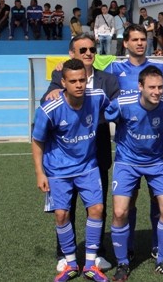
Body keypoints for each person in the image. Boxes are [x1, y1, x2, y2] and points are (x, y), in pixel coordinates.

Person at [42, 33, 120, 274]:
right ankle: (65, 256)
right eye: (82, 49)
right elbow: (47, 103)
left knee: (97, 207)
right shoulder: (59, 78)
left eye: (92, 49)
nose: (88, 53)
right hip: (65, 159)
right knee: (65, 209)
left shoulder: (108, 80)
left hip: (97, 155)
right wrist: (52, 93)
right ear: (72, 55)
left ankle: (96, 254)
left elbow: (118, 108)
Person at [106, 66, 163, 281]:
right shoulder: (123, 104)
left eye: (160, 87)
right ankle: (122, 263)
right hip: (127, 162)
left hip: (157, 162)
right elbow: (100, 115)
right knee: (120, 212)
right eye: (151, 87)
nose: (157, 91)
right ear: (140, 87)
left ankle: (162, 260)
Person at [32, 58, 110, 282]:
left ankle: (91, 264)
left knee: (96, 209)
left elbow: (117, 107)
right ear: (63, 83)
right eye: (73, 81)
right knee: (61, 214)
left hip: (88, 166)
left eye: (82, 80)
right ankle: (70, 263)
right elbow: (37, 141)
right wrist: (40, 173)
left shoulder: (97, 97)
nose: (79, 85)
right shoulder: (50, 108)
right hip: (58, 170)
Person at [105, 24, 163, 257]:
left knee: (159, 199)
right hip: (128, 147)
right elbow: (87, 75)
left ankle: (156, 245)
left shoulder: (159, 68)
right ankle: (128, 246)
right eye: (135, 39)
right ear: (126, 43)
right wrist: (59, 74)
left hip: (155, 147)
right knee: (127, 200)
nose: (140, 43)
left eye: (143, 39)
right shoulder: (114, 68)